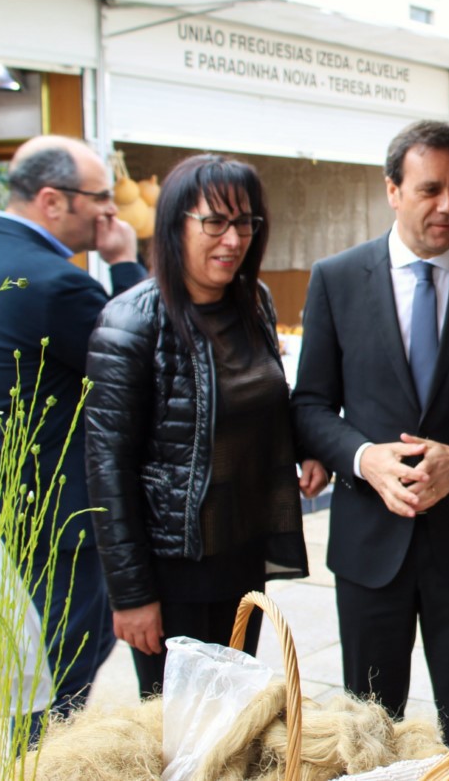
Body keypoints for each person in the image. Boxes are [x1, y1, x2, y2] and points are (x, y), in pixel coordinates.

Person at [291, 121, 449, 746]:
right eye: (431, 189)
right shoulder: (336, 278)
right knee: (368, 732)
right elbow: (309, 405)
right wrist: (361, 458)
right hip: (369, 545)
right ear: (392, 190)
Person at [85, 154, 328, 697]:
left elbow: (266, 401)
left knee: (230, 719)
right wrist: (130, 595)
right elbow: (107, 469)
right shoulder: (132, 321)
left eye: (244, 223)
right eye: (214, 222)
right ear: (175, 225)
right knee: (181, 732)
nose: (233, 239)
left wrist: (308, 447)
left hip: (243, 551)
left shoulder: (254, 303)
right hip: (174, 569)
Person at [0, 135, 146, 718]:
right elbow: (140, 361)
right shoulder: (58, 284)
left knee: (9, 671)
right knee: (56, 682)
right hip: (57, 520)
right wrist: (125, 263)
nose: (111, 211)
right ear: (52, 201)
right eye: (100, 197)